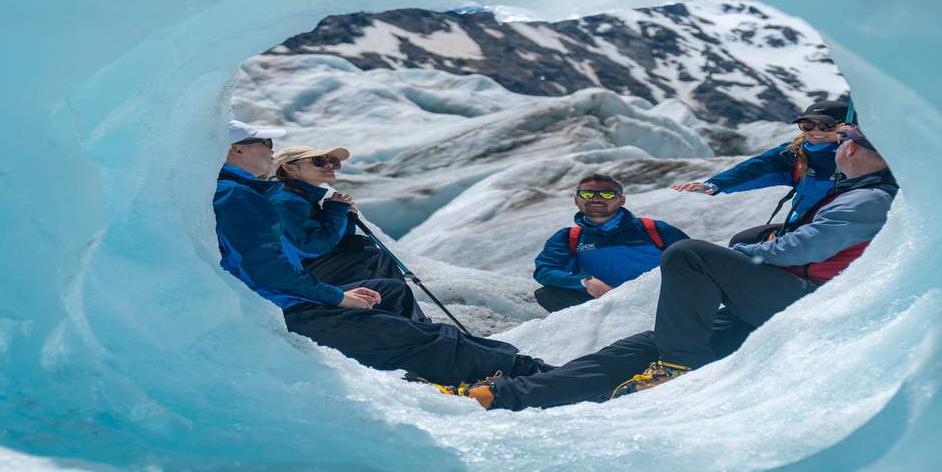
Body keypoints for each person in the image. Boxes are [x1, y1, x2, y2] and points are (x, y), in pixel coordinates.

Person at [443, 126, 897, 410]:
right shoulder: (858, 192)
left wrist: (747, 252)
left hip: (806, 304)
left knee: (688, 255)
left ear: (854, 151)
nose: (837, 144)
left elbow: (801, 249)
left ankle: (681, 363)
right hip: (770, 303)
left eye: (845, 139)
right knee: (635, 348)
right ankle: (503, 396)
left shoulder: (868, 199)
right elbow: (548, 271)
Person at [214, 120, 550, 385]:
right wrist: (335, 295)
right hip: (293, 307)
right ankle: (531, 375)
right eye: (265, 143)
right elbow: (288, 261)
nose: (271, 151)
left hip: (294, 297)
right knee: (428, 337)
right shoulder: (247, 198)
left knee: (388, 292)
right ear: (235, 151)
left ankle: (429, 352)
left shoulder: (251, 194)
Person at [670, 99, 854, 232]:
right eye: (807, 125)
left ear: (847, 126)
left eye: (825, 126)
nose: (815, 132)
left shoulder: (861, 154)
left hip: (844, 231)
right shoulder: (796, 153)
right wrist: (715, 184)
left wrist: (852, 138)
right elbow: (757, 167)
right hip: (804, 226)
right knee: (741, 242)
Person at [532, 174, 689, 312]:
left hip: (662, 301)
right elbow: (545, 270)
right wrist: (584, 281)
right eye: (587, 194)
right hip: (606, 306)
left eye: (607, 194)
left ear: (621, 200)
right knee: (547, 294)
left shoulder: (653, 229)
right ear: (576, 199)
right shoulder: (569, 237)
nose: (596, 198)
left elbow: (695, 259)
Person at [269, 144, 404, 285]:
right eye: (318, 161)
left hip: (313, 270)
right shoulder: (285, 201)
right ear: (289, 168)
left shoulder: (303, 198)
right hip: (300, 277)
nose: (330, 166)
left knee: (362, 247)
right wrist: (335, 210)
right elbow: (313, 248)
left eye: (334, 162)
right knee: (372, 257)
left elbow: (338, 240)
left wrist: (343, 214)